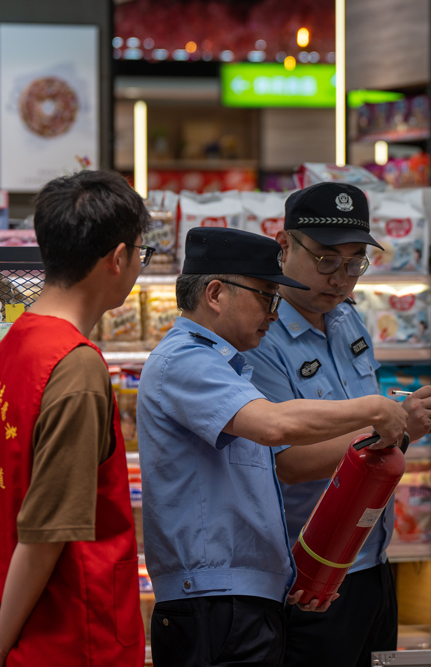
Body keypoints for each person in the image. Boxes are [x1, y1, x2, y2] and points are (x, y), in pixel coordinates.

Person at [138, 226, 412, 667]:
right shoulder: (184, 360)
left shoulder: (226, 367)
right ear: (214, 293)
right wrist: (372, 410)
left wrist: (288, 578)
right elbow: (274, 425)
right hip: (213, 604)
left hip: (242, 599)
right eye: (267, 296)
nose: (273, 312)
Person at [242, 182, 431, 667]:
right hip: (310, 580)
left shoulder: (349, 321)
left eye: (355, 262)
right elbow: (289, 463)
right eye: (325, 260)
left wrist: (411, 408)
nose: (340, 278)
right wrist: (399, 430)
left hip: (373, 564)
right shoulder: (262, 337)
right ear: (284, 244)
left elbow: (358, 412)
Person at [0, 170, 150, 667]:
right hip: (69, 633)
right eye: (139, 255)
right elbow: (50, 529)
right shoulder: (77, 365)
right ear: (117, 259)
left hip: (19, 615)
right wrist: (0, 635)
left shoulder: (16, 341)